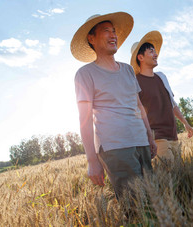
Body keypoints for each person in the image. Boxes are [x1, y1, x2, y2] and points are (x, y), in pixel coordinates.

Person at [70, 12, 157, 199]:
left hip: (140, 141)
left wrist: (149, 136)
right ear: (91, 38)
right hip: (115, 148)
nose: (113, 35)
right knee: (135, 205)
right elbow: (84, 120)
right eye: (106, 31)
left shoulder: (127, 69)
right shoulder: (85, 74)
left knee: (153, 198)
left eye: (114, 31)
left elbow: (139, 106)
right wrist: (92, 160)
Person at [130, 31, 193, 165]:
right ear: (140, 57)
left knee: (179, 175)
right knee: (168, 175)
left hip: (173, 135)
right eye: (151, 51)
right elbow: (136, 114)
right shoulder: (135, 82)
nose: (156, 54)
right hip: (157, 138)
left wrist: (185, 122)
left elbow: (171, 103)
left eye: (155, 51)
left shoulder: (162, 77)